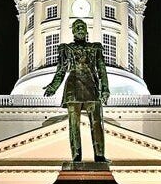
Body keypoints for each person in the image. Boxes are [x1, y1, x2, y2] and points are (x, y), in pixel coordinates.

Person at [44, 19, 111, 162]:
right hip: (72, 88)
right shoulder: (66, 49)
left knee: (97, 123)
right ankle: (76, 156)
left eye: (82, 27)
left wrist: (105, 89)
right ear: (73, 31)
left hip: (92, 86)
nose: (80, 29)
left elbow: (101, 69)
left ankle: (99, 155)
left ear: (86, 31)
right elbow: (61, 70)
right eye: (77, 27)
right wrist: (54, 86)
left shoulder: (95, 48)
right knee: (74, 125)